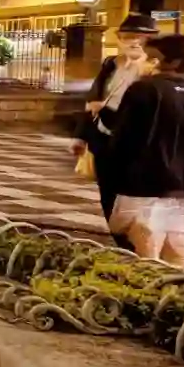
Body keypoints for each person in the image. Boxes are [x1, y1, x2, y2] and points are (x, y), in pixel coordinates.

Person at [107, 34, 184, 268]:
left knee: (145, 258)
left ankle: (147, 302)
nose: (146, 61)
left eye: (152, 57)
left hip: (145, 185)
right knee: (178, 258)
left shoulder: (143, 89)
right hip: (182, 186)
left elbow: (123, 138)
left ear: (173, 61)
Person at [72, 13, 158, 247]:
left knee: (131, 195)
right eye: (127, 37)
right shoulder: (111, 64)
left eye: (140, 38)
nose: (133, 42)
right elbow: (93, 99)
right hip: (103, 138)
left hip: (134, 143)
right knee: (108, 192)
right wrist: (81, 135)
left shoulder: (154, 71)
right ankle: (120, 242)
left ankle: (136, 245)